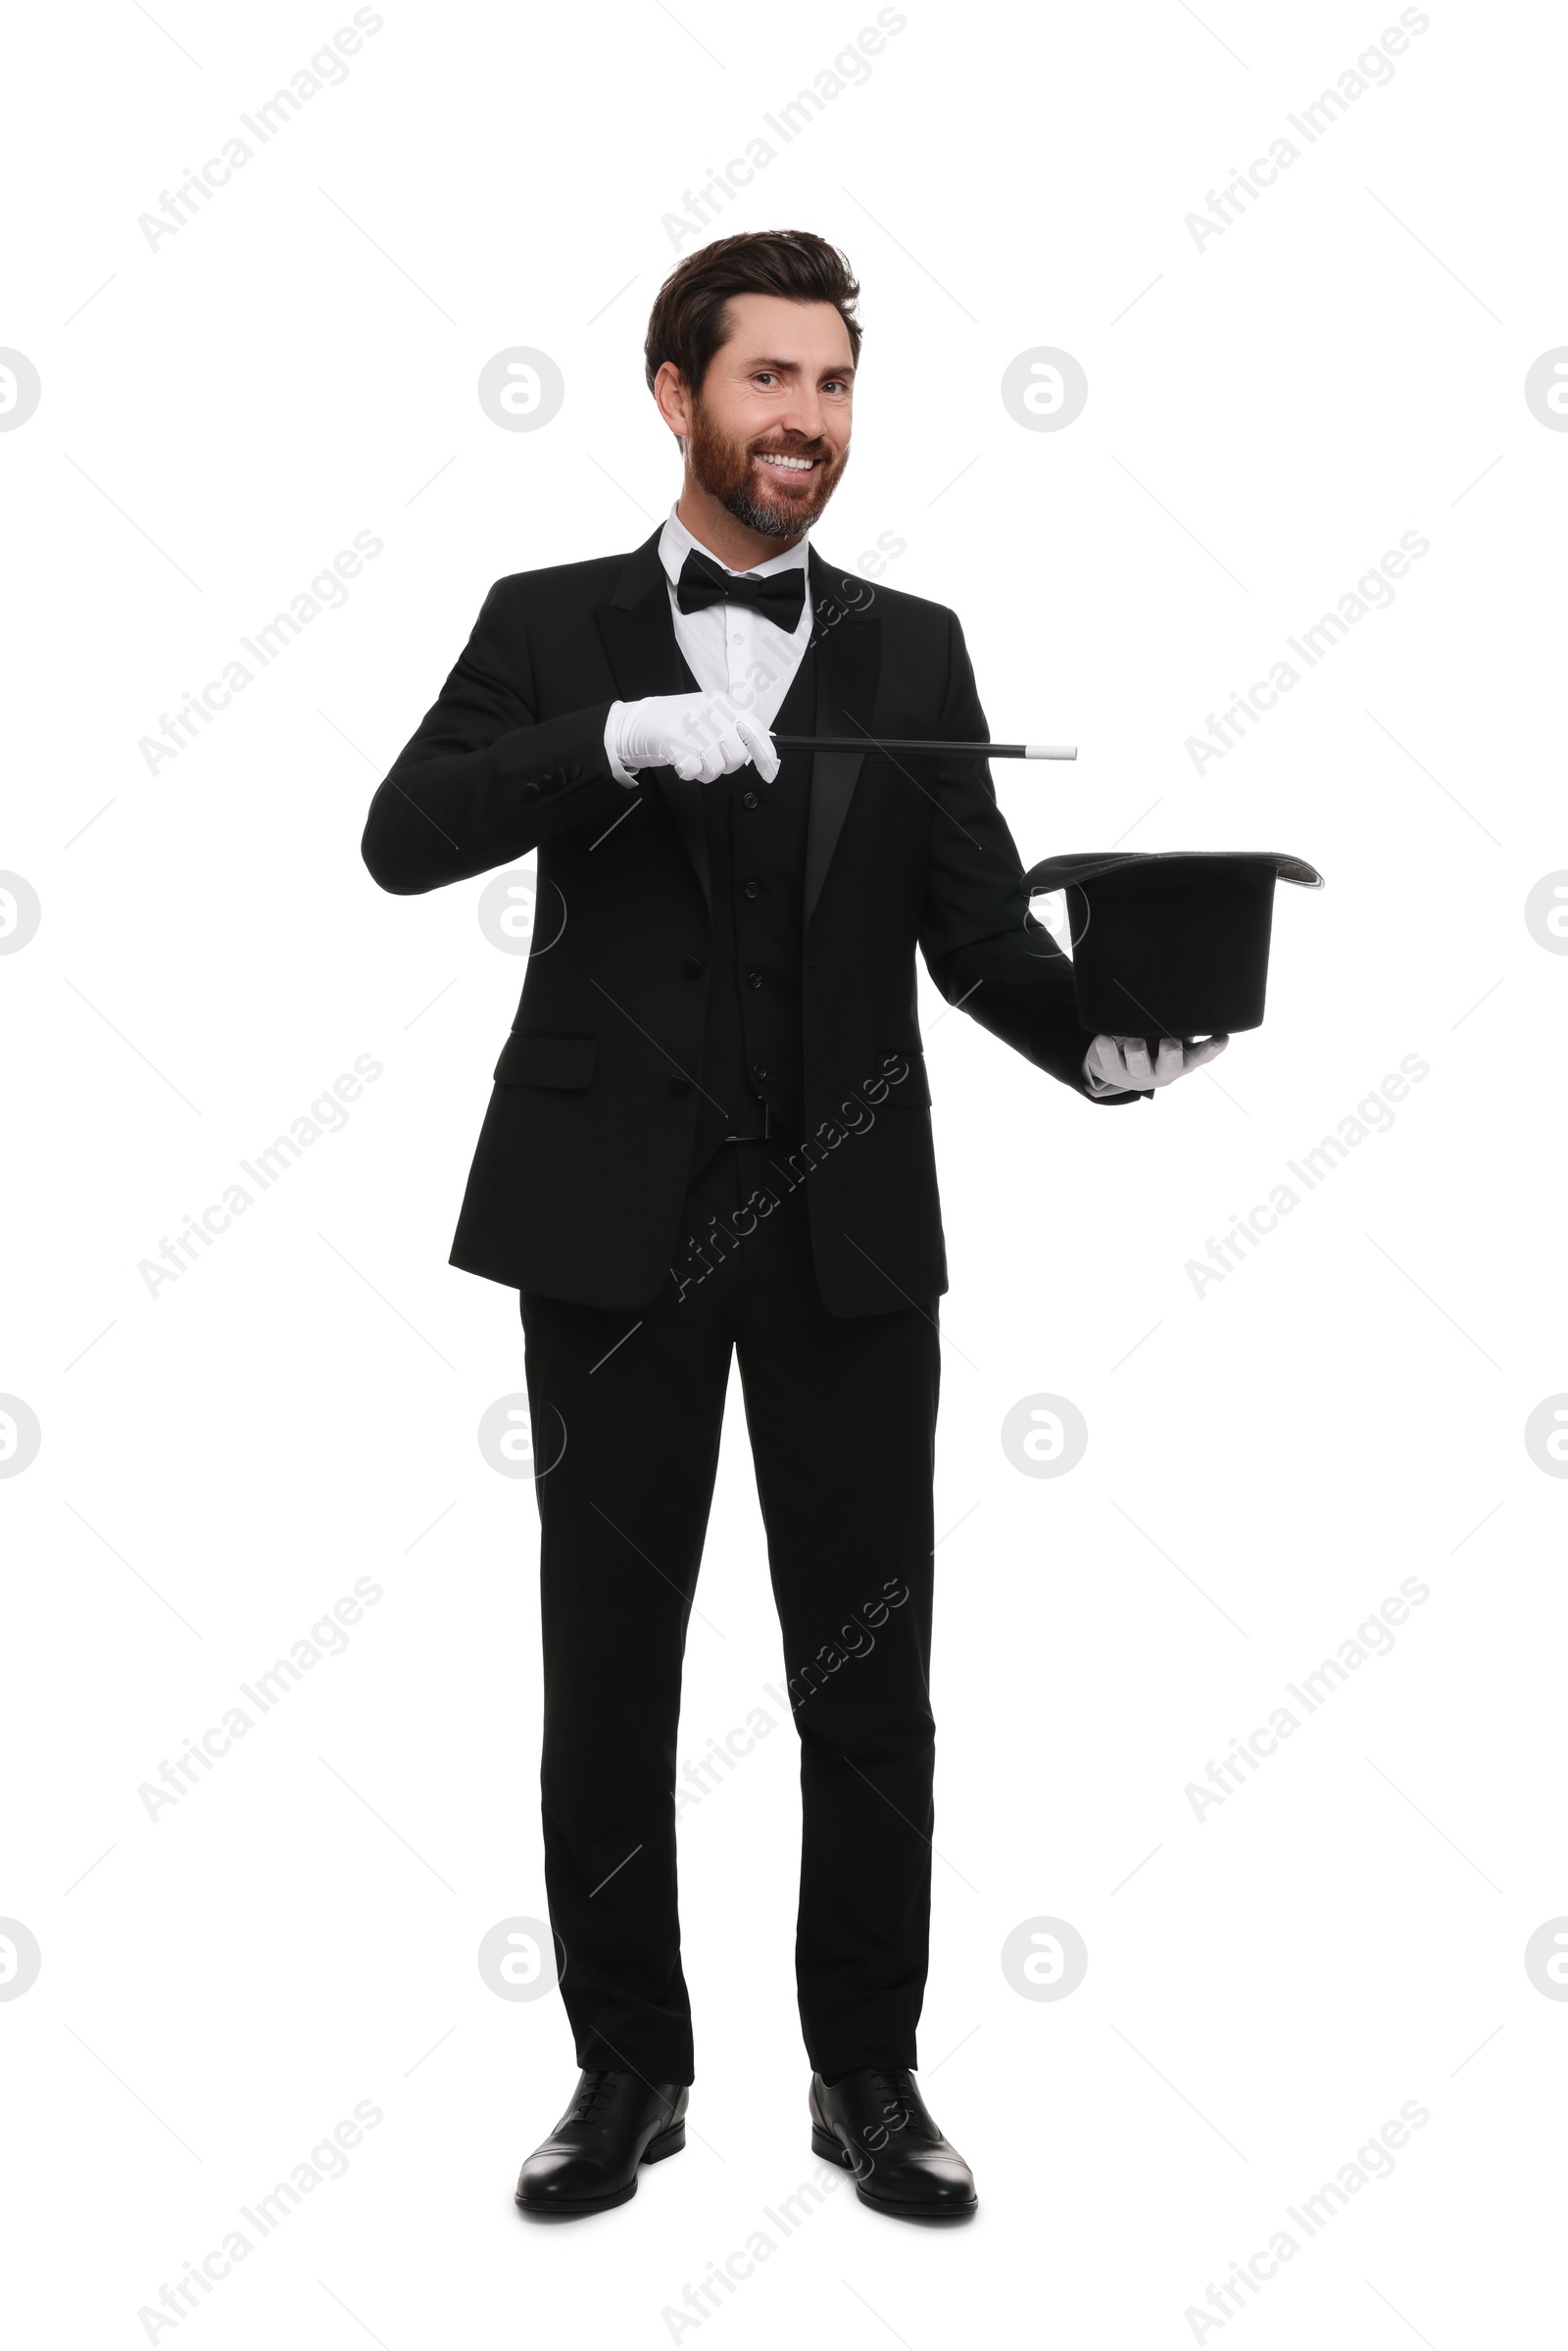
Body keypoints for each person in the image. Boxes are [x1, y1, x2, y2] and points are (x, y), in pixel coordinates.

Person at [361, 228, 1224, 2222]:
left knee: (867, 1673)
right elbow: (407, 832)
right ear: (675, 395)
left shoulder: (912, 645)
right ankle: (625, 2075)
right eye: (769, 384)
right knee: (611, 1667)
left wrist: (1090, 1047)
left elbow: (976, 925)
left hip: (847, 1226)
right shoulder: (548, 620)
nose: (805, 426)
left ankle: (867, 2079)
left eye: (831, 389)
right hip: (607, 1236)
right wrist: (605, 742)